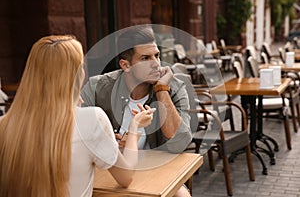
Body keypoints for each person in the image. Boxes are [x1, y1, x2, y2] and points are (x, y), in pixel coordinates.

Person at [0, 35, 155, 197]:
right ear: (75, 75)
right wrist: (134, 127)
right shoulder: (91, 120)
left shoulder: (4, 125)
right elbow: (126, 176)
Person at [81, 25, 192, 196]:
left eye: (157, 55)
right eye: (145, 58)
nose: (156, 64)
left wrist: (161, 90)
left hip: (157, 171)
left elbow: (180, 143)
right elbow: (77, 134)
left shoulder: (173, 87)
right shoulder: (97, 87)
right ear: (126, 65)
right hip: (111, 172)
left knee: (181, 195)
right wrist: (110, 145)